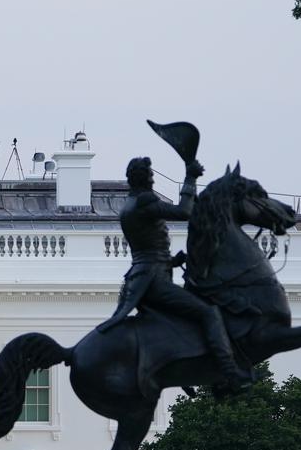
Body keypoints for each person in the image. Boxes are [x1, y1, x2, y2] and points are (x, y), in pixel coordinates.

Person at [97, 156, 252, 393]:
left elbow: (146, 248)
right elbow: (184, 211)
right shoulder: (144, 202)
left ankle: (183, 372)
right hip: (153, 279)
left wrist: (171, 261)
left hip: (143, 274)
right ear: (144, 178)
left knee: (178, 321)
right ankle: (230, 372)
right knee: (208, 313)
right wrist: (190, 177)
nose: (153, 178)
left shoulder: (129, 204)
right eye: (151, 174)